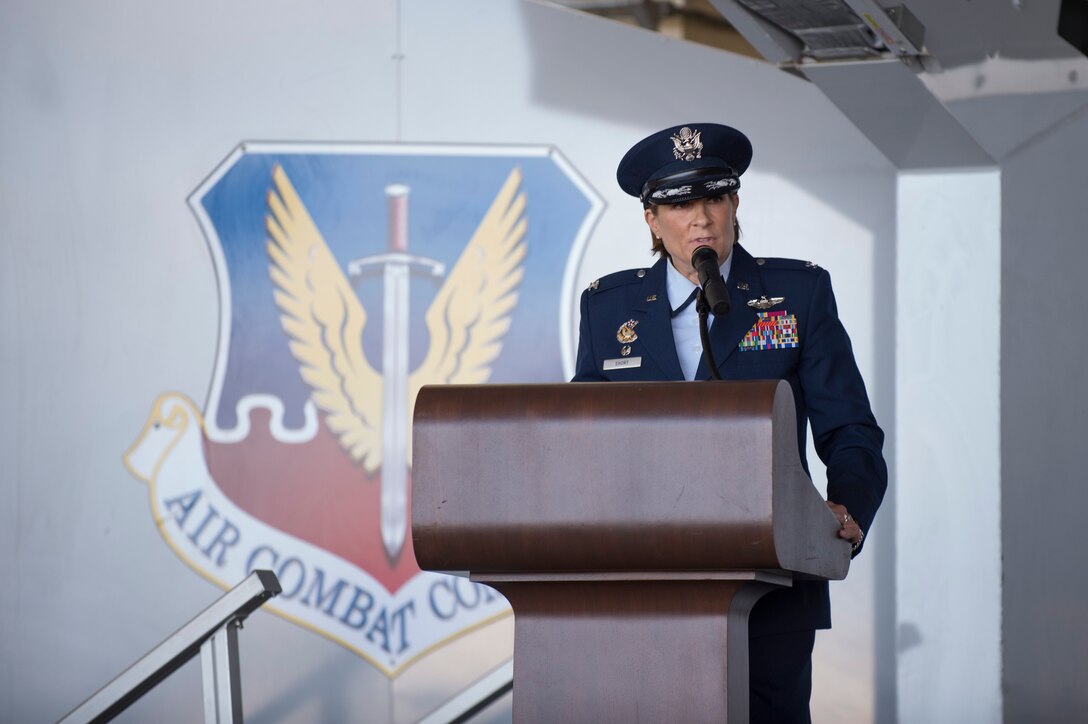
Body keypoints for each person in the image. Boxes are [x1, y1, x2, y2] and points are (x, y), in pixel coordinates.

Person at [572, 123, 887, 722]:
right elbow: (581, 440)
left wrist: (848, 507)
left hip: (773, 586)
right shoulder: (608, 308)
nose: (701, 219)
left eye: (714, 197)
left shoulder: (798, 295)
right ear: (651, 220)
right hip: (643, 588)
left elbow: (850, 428)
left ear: (735, 203)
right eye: (679, 205)